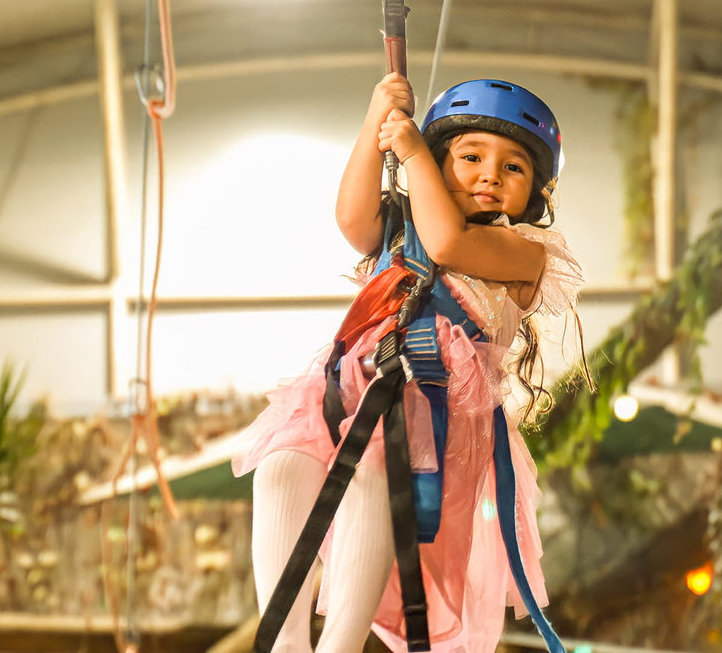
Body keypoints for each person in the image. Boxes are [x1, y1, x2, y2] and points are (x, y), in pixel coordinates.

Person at [231, 72, 583, 653]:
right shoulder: (401, 228)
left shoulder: (523, 253)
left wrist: (417, 152)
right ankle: (286, 641)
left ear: (535, 193)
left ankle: (338, 646)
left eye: (512, 167)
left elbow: (448, 244)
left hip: (431, 407)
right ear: (441, 166)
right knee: (282, 465)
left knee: (375, 475)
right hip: (357, 381)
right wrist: (377, 121)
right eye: (470, 156)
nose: (490, 174)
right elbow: (351, 218)